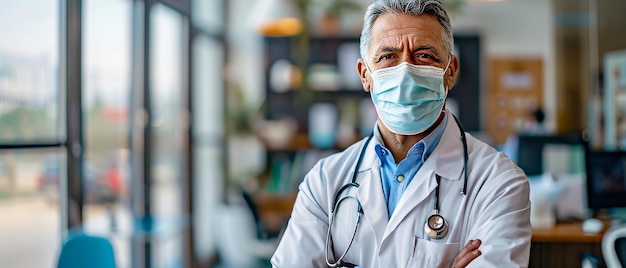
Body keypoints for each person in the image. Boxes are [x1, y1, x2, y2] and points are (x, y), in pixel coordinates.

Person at [271, 0, 532, 267]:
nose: (405, 71)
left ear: (450, 72)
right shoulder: (325, 182)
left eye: (424, 56)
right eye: (387, 57)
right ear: (365, 75)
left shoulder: (499, 182)